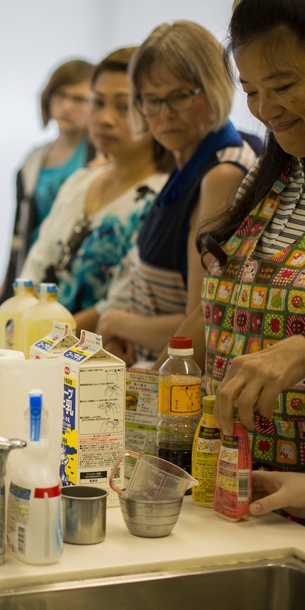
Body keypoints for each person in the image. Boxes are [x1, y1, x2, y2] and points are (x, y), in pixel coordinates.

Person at [201, 0, 305, 540]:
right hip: (237, 501)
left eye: (283, 85)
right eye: (251, 90)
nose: (265, 109)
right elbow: (217, 316)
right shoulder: (267, 177)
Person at [94, 21, 257, 365]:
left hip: (178, 384)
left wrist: (117, 323)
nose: (164, 114)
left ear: (214, 88)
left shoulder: (222, 174)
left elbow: (203, 320)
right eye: (152, 100)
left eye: (180, 96)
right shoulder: (186, 161)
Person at [18, 47, 171, 328]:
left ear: (154, 111)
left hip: (95, 349)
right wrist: (21, 322)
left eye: (123, 107)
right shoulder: (80, 181)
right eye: (98, 103)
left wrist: (44, 336)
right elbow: (36, 264)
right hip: (37, 342)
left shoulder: (160, 197)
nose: (104, 119)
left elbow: (120, 302)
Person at [0, 58, 95, 309]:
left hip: (78, 277)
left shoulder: (101, 158)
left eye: (78, 99)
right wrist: (7, 283)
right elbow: (20, 230)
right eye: (60, 96)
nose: (66, 106)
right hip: (36, 271)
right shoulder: (32, 161)